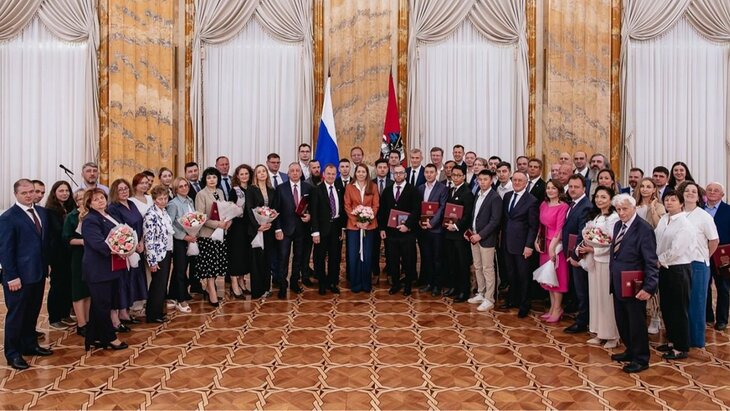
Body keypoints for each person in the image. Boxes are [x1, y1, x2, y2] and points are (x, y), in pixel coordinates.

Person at [0, 179, 53, 370]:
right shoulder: (8, 217)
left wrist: (47, 265)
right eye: (24, 193)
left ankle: (30, 345)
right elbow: (5, 251)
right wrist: (11, 276)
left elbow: (42, 243)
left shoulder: (41, 213)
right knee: (16, 316)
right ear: (16, 194)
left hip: (38, 273)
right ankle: (13, 354)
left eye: (32, 191)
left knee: (32, 312)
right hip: (18, 277)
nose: (29, 195)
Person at [609, 194, 658, 373]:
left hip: (635, 284)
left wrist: (649, 287)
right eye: (618, 209)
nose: (621, 213)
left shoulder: (644, 229)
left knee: (636, 322)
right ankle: (630, 350)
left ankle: (641, 358)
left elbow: (651, 261)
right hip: (618, 282)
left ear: (634, 208)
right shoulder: (617, 225)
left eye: (625, 209)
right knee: (622, 320)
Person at [80, 188, 128, 351]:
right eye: (96, 199)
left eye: (102, 197)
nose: (100, 201)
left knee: (99, 304)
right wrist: (121, 249)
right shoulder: (90, 220)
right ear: (89, 203)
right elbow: (98, 243)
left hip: (111, 266)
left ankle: (93, 337)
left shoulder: (109, 215)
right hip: (98, 268)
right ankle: (110, 338)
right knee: (103, 305)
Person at [654, 191, 696, 361]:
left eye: (673, 200)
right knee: (667, 307)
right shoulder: (664, 219)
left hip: (678, 269)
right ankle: (671, 341)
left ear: (681, 204)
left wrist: (659, 260)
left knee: (679, 309)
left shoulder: (685, 224)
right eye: (666, 199)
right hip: (664, 268)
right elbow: (657, 240)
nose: (669, 202)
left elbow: (677, 249)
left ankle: (681, 347)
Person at [577, 187, 620, 348]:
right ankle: (598, 332)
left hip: (606, 261)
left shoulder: (614, 218)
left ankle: (612, 335)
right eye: (597, 197)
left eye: (603, 197)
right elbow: (589, 235)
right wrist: (584, 247)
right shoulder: (595, 217)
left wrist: (594, 249)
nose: (599, 200)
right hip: (593, 261)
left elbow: (613, 242)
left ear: (611, 199)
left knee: (606, 299)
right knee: (595, 297)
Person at [677, 181, 718, 348]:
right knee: (681, 303)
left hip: (698, 264)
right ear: (681, 194)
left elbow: (714, 241)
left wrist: (705, 256)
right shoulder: (677, 214)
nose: (690, 193)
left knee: (697, 303)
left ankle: (696, 340)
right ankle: (681, 338)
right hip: (679, 264)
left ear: (699, 196)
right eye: (687, 190)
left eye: (694, 191)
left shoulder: (704, 216)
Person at [107, 179, 147, 329]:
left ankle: (127, 312)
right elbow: (119, 230)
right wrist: (132, 245)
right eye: (120, 189)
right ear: (114, 192)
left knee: (133, 280)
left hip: (137, 247)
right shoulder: (113, 208)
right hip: (125, 250)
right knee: (124, 281)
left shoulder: (131, 203)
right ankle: (121, 313)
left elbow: (140, 224)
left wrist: (141, 241)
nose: (124, 191)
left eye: (125, 188)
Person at [500, 171, 539, 317]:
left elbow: (533, 226)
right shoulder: (507, 196)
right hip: (507, 242)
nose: (516, 183)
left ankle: (524, 304)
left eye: (520, 180)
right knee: (511, 274)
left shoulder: (532, 200)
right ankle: (513, 299)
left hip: (522, 245)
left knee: (523, 276)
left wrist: (529, 246)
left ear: (526, 183)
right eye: (514, 180)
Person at [378, 165, 420, 296]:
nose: (398, 175)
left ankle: (408, 285)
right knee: (392, 260)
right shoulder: (387, 190)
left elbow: (416, 210)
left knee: (408, 260)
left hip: (407, 232)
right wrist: (382, 228)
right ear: (393, 174)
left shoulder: (413, 190)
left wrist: (407, 225)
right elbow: (382, 211)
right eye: (395, 173)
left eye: (401, 173)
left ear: (405, 174)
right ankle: (395, 284)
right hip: (391, 233)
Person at [632, 177, 666, 335]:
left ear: (654, 189)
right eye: (642, 186)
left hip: (651, 246)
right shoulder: (634, 205)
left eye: (648, 186)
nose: (645, 189)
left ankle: (655, 317)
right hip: (634, 248)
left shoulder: (659, 206)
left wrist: (652, 209)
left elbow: (660, 226)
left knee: (651, 280)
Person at [274, 163, 312, 298]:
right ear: (288, 173)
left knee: (299, 257)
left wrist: (310, 216)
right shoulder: (280, 188)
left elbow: (312, 207)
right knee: (283, 257)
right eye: (292, 171)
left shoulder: (308, 188)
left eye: (297, 170)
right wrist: (277, 229)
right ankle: (282, 285)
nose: (295, 173)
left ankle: (294, 282)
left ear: (301, 173)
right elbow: (276, 210)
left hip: (302, 230)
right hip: (285, 230)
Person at [466, 169, 502, 311]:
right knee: (478, 266)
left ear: (491, 180)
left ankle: (489, 298)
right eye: (480, 179)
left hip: (486, 239)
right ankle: (481, 292)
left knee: (488, 268)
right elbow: (474, 215)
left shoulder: (495, 197)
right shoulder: (478, 194)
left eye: (485, 179)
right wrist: (469, 231)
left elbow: (495, 221)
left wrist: (480, 235)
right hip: (474, 236)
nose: (482, 182)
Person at [195, 167, 231, 306]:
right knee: (209, 266)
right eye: (209, 177)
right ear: (205, 179)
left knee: (217, 264)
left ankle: (210, 289)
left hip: (220, 235)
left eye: (214, 177)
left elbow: (225, 210)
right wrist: (217, 224)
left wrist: (228, 221)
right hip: (207, 235)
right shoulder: (201, 194)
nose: (212, 180)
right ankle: (212, 292)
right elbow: (201, 217)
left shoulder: (220, 192)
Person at [536, 180, 570, 322]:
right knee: (548, 277)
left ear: (559, 190)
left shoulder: (563, 206)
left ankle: (558, 308)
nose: (550, 190)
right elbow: (541, 225)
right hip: (544, 243)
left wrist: (552, 248)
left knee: (557, 277)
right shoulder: (543, 204)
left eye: (553, 188)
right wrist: (537, 240)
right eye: (548, 188)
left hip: (556, 245)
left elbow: (560, 228)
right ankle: (551, 307)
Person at [44, 181, 76, 330]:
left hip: (70, 252)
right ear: (54, 193)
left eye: (67, 190)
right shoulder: (50, 211)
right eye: (61, 191)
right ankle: (54, 318)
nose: (65, 193)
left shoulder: (70, 207)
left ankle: (65, 314)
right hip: (57, 254)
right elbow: (54, 233)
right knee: (57, 286)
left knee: (68, 285)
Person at [310, 164, 346, 295]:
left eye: (333, 174)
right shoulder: (317, 190)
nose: (331, 176)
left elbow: (342, 210)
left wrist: (342, 228)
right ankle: (322, 283)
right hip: (321, 229)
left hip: (336, 228)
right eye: (328, 174)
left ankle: (333, 282)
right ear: (324, 174)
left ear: (336, 174)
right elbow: (314, 212)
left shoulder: (340, 188)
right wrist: (315, 232)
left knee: (335, 257)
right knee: (319, 257)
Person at [563, 174, 592, 334]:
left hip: (579, 256)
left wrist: (575, 256)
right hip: (571, 252)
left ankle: (582, 322)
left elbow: (582, 234)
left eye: (576, 187)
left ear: (584, 189)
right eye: (571, 186)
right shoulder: (572, 204)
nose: (572, 190)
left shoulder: (585, 206)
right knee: (577, 289)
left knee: (582, 291)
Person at [344, 164, 380, 293]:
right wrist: (357, 222)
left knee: (367, 254)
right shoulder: (349, 187)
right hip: (353, 227)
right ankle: (355, 284)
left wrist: (367, 220)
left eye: (363, 172)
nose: (361, 174)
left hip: (369, 226)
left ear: (367, 173)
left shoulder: (373, 186)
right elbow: (347, 206)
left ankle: (366, 283)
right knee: (354, 255)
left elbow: (376, 205)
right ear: (355, 173)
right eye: (359, 171)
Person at [143, 186, 174, 323]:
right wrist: (152, 261)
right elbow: (149, 239)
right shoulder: (151, 215)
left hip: (166, 250)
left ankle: (159, 311)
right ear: (154, 199)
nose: (163, 201)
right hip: (157, 253)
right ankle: (152, 314)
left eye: (165, 198)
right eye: (160, 199)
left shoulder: (164, 211)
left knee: (162, 284)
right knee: (157, 284)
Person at [246, 164, 277, 299]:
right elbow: (249, 209)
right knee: (256, 260)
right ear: (255, 175)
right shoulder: (251, 190)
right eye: (259, 172)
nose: (262, 173)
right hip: (256, 230)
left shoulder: (272, 190)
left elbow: (274, 209)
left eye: (264, 171)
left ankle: (266, 288)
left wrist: (270, 222)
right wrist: (257, 226)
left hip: (268, 229)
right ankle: (257, 290)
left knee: (267, 259)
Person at [63, 189, 90, 336]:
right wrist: (83, 242)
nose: (82, 201)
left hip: (94, 257)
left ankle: (88, 320)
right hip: (79, 255)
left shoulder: (93, 213)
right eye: (80, 199)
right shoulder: (71, 216)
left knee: (88, 290)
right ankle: (81, 324)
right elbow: (67, 238)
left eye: (85, 198)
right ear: (76, 201)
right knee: (79, 291)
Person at [417, 164, 448, 295]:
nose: (429, 174)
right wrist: (419, 221)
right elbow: (418, 207)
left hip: (436, 230)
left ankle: (437, 285)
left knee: (437, 258)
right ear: (424, 174)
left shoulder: (443, 188)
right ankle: (429, 283)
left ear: (436, 173)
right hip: (423, 230)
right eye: (427, 172)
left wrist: (432, 223)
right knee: (427, 258)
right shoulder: (420, 188)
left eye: (431, 172)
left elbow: (442, 207)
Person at [166, 177, 195, 312]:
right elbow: (170, 224)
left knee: (181, 268)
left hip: (190, 238)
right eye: (180, 186)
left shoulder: (190, 200)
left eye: (185, 185)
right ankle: (181, 300)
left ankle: (172, 296)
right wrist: (184, 236)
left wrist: (193, 234)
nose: (184, 188)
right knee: (180, 271)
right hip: (179, 240)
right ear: (175, 189)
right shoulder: (173, 204)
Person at [226, 164, 254, 298]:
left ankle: (242, 282)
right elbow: (230, 209)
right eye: (241, 174)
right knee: (236, 256)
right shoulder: (234, 191)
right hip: (237, 228)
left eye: (246, 173)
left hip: (249, 227)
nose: (244, 176)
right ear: (237, 176)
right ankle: (234, 284)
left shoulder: (252, 189)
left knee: (245, 256)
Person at [705, 182, 730, 331]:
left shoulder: (728, 210)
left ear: (722, 194)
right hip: (703, 253)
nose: (712, 192)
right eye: (709, 190)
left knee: (723, 288)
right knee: (704, 286)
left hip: (723, 255)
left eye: (716, 190)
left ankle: (722, 320)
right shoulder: (699, 210)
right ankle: (707, 316)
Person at [372, 158, 392, 280]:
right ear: (376, 169)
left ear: (388, 169)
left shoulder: (393, 183)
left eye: (385, 167)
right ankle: (375, 273)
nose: (382, 169)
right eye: (380, 167)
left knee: (390, 249)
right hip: (373, 221)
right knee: (374, 249)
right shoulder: (370, 184)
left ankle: (390, 273)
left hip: (389, 222)